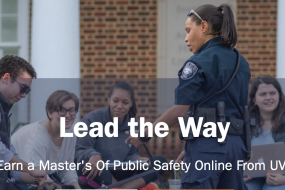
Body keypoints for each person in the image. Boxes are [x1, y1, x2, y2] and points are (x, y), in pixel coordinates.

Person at [126, 4, 251, 190]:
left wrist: (145, 134)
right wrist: (191, 147)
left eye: (188, 30)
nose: (185, 38)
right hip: (235, 146)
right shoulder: (241, 62)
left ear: (204, 27)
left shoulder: (197, 62)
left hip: (206, 145)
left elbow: (179, 110)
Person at [75, 82, 166, 189]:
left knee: (160, 162)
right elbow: (80, 150)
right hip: (101, 172)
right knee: (84, 163)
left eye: (125, 102)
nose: (119, 106)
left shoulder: (134, 125)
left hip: (122, 171)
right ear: (109, 100)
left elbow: (131, 154)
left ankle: (122, 188)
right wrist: (94, 155)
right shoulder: (93, 119)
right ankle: (125, 187)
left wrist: (137, 159)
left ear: (131, 103)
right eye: (115, 101)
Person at [11, 90, 81, 189]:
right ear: (50, 113)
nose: (68, 115)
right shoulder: (38, 136)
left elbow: (67, 169)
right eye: (61, 110)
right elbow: (40, 178)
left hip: (45, 179)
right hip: (17, 180)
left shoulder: (70, 133)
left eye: (72, 110)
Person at [0, 55, 46, 190]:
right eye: (23, 88)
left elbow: (9, 161)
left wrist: (35, 178)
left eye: (28, 91)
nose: (25, 95)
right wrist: (30, 169)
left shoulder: (4, 110)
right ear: (6, 78)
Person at [245, 75, 285, 190]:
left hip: (279, 178)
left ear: (279, 96)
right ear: (254, 99)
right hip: (252, 177)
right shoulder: (245, 123)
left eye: (272, 93)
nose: (268, 98)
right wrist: (239, 174)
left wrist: (283, 179)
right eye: (263, 94)